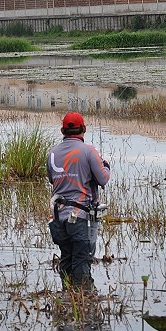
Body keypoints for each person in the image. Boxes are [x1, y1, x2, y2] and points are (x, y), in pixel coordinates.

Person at [47, 111, 111, 289]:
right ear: (83, 129)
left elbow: (52, 179)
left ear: (62, 130)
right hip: (79, 217)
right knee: (82, 262)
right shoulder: (89, 151)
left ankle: (67, 298)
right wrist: (105, 165)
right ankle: (82, 305)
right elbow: (103, 179)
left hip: (58, 218)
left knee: (66, 259)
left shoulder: (52, 153)